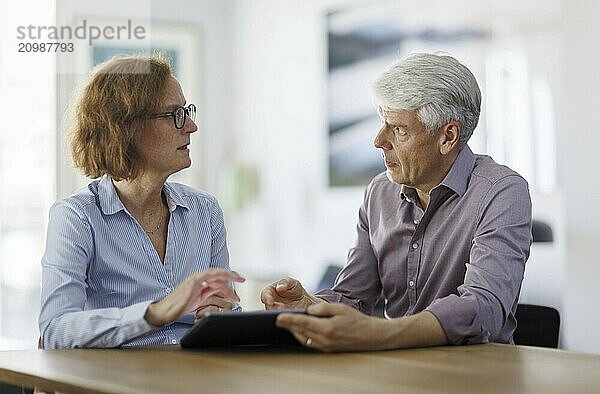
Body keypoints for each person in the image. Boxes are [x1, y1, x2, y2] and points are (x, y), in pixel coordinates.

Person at [262, 53, 532, 352]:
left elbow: (483, 307)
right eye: (382, 123)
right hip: (397, 368)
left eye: (398, 129)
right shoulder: (379, 193)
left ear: (448, 136)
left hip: (476, 373)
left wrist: (379, 333)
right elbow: (353, 297)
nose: (379, 140)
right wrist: (309, 306)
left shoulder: (502, 192)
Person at [39, 55, 244, 349]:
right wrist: (155, 312)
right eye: (175, 114)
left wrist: (218, 315)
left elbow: (227, 308)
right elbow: (55, 331)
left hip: (197, 377)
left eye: (187, 111)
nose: (190, 126)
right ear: (125, 128)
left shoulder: (206, 210)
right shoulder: (76, 217)